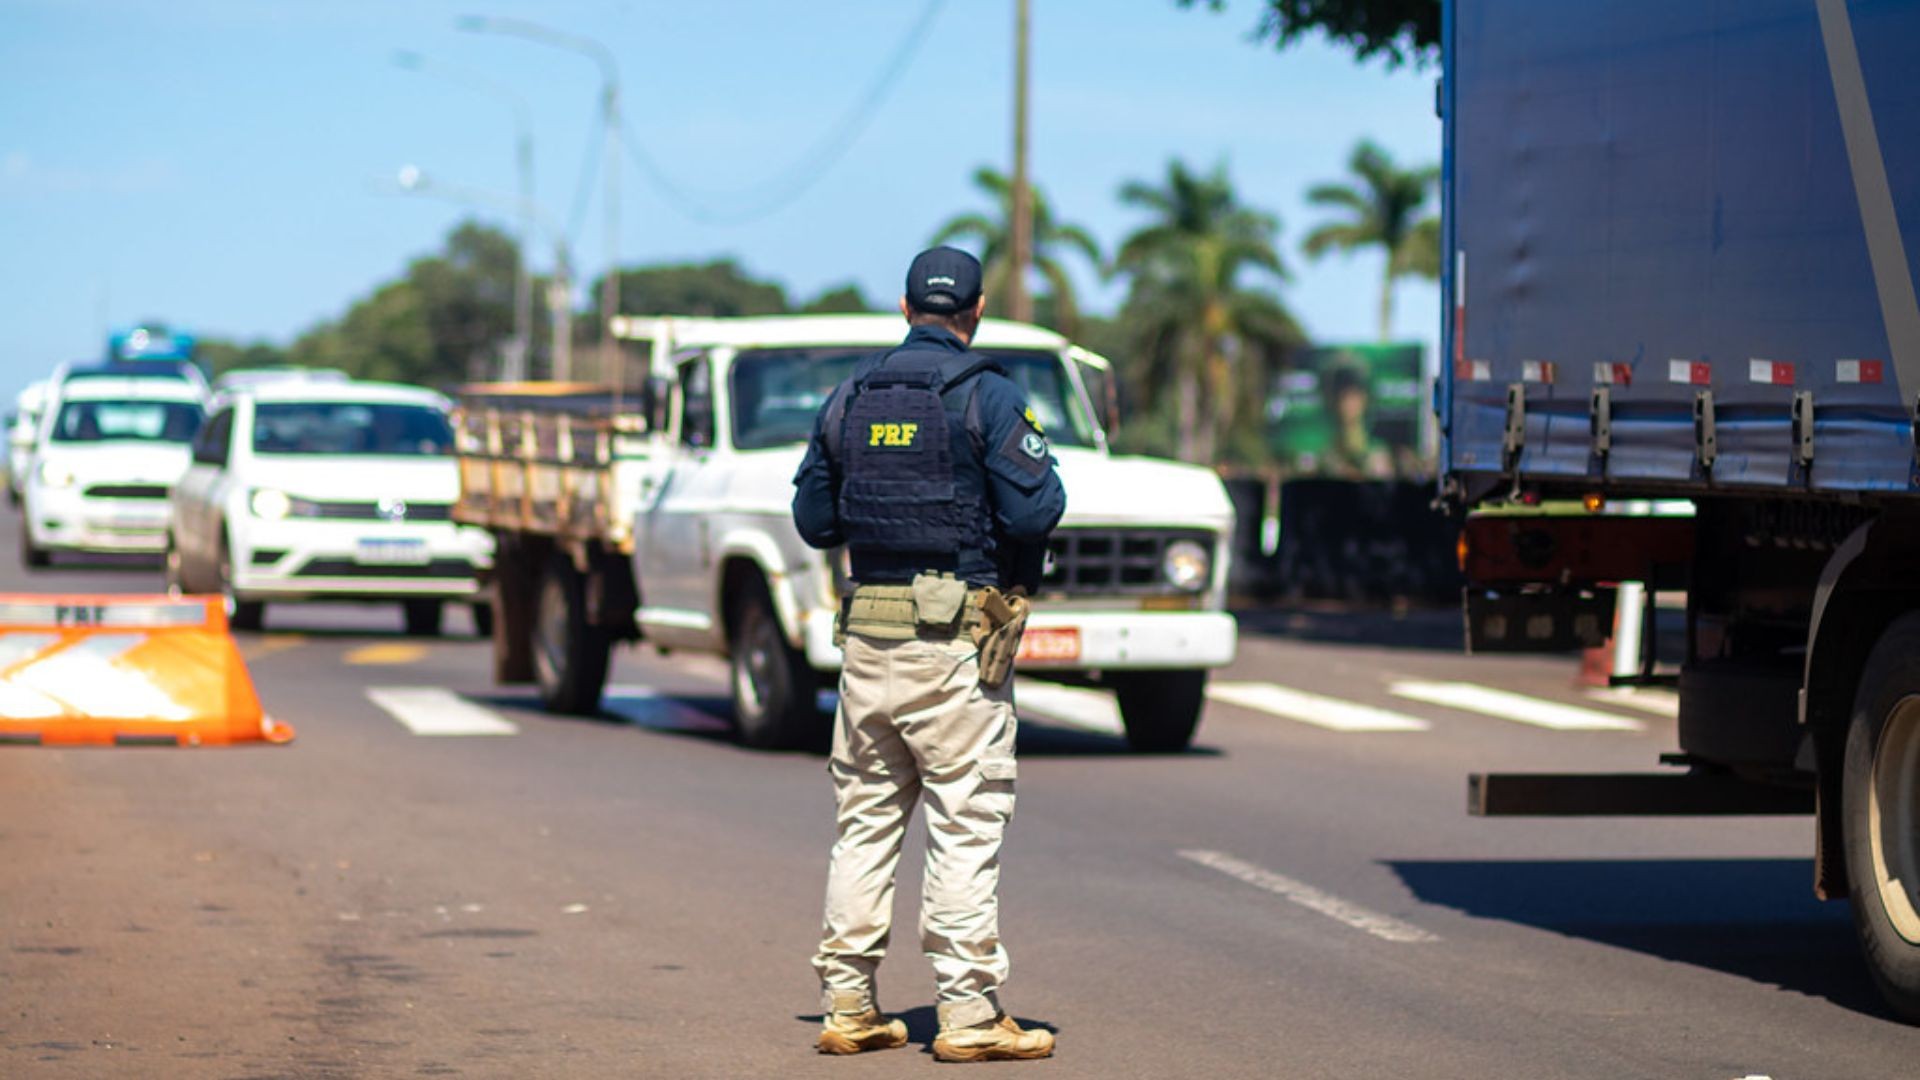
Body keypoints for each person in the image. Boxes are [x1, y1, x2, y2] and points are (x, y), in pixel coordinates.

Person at [792, 246, 1066, 1062]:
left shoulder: (848, 398)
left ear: (905, 309)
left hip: (867, 641)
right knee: (965, 822)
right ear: (975, 311)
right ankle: (970, 1015)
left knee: (866, 822)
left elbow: (815, 521)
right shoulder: (987, 395)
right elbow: (1036, 510)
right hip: (953, 648)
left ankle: (848, 1005)